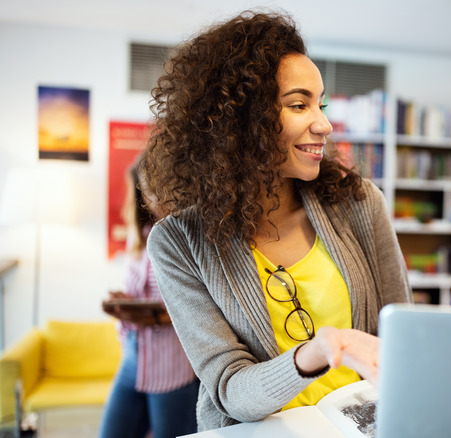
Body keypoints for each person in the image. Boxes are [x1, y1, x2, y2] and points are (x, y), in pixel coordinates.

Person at [138, 10, 411, 431]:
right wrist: (317, 352)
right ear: (240, 121)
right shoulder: (178, 242)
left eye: (320, 104)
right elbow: (231, 390)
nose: (322, 124)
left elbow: (403, 338)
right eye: (299, 104)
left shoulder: (359, 203)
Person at [99, 155, 199, 438]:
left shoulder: (188, 238)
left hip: (172, 367)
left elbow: (195, 308)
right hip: (133, 358)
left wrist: (148, 314)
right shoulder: (140, 235)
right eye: (148, 192)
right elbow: (137, 291)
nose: (154, 200)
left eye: (157, 191)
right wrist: (124, 301)